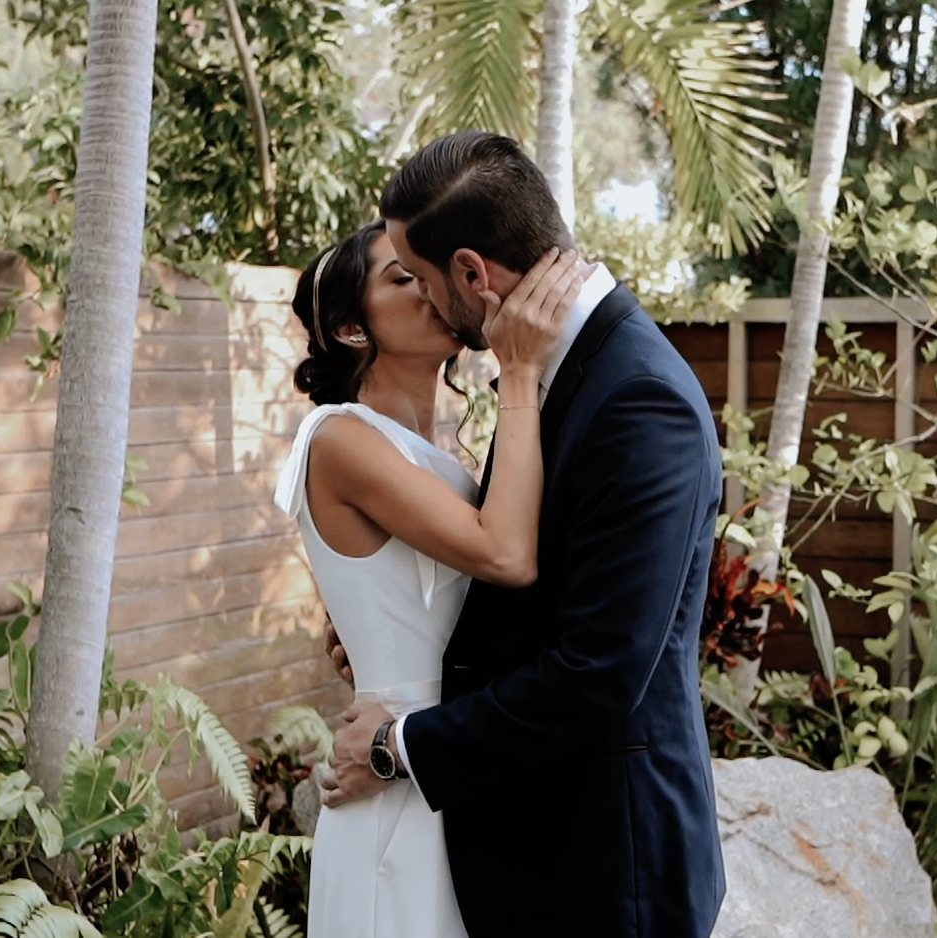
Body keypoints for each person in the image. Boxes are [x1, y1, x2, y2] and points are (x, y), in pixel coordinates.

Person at [320, 130, 727, 938]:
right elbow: (531, 592)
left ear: (473, 272)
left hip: (608, 873)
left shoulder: (639, 400)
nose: (430, 306)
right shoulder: (546, 368)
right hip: (532, 856)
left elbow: (599, 673)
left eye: (425, 280)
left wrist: (400, 745)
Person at [273, 217, 587, 938]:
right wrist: (519, 371)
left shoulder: (437, 454)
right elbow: (506, 556)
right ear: (354, 330)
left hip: (449, 764)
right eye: (400, 279)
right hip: (393, 779)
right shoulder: (341, 438)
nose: (429, 288)